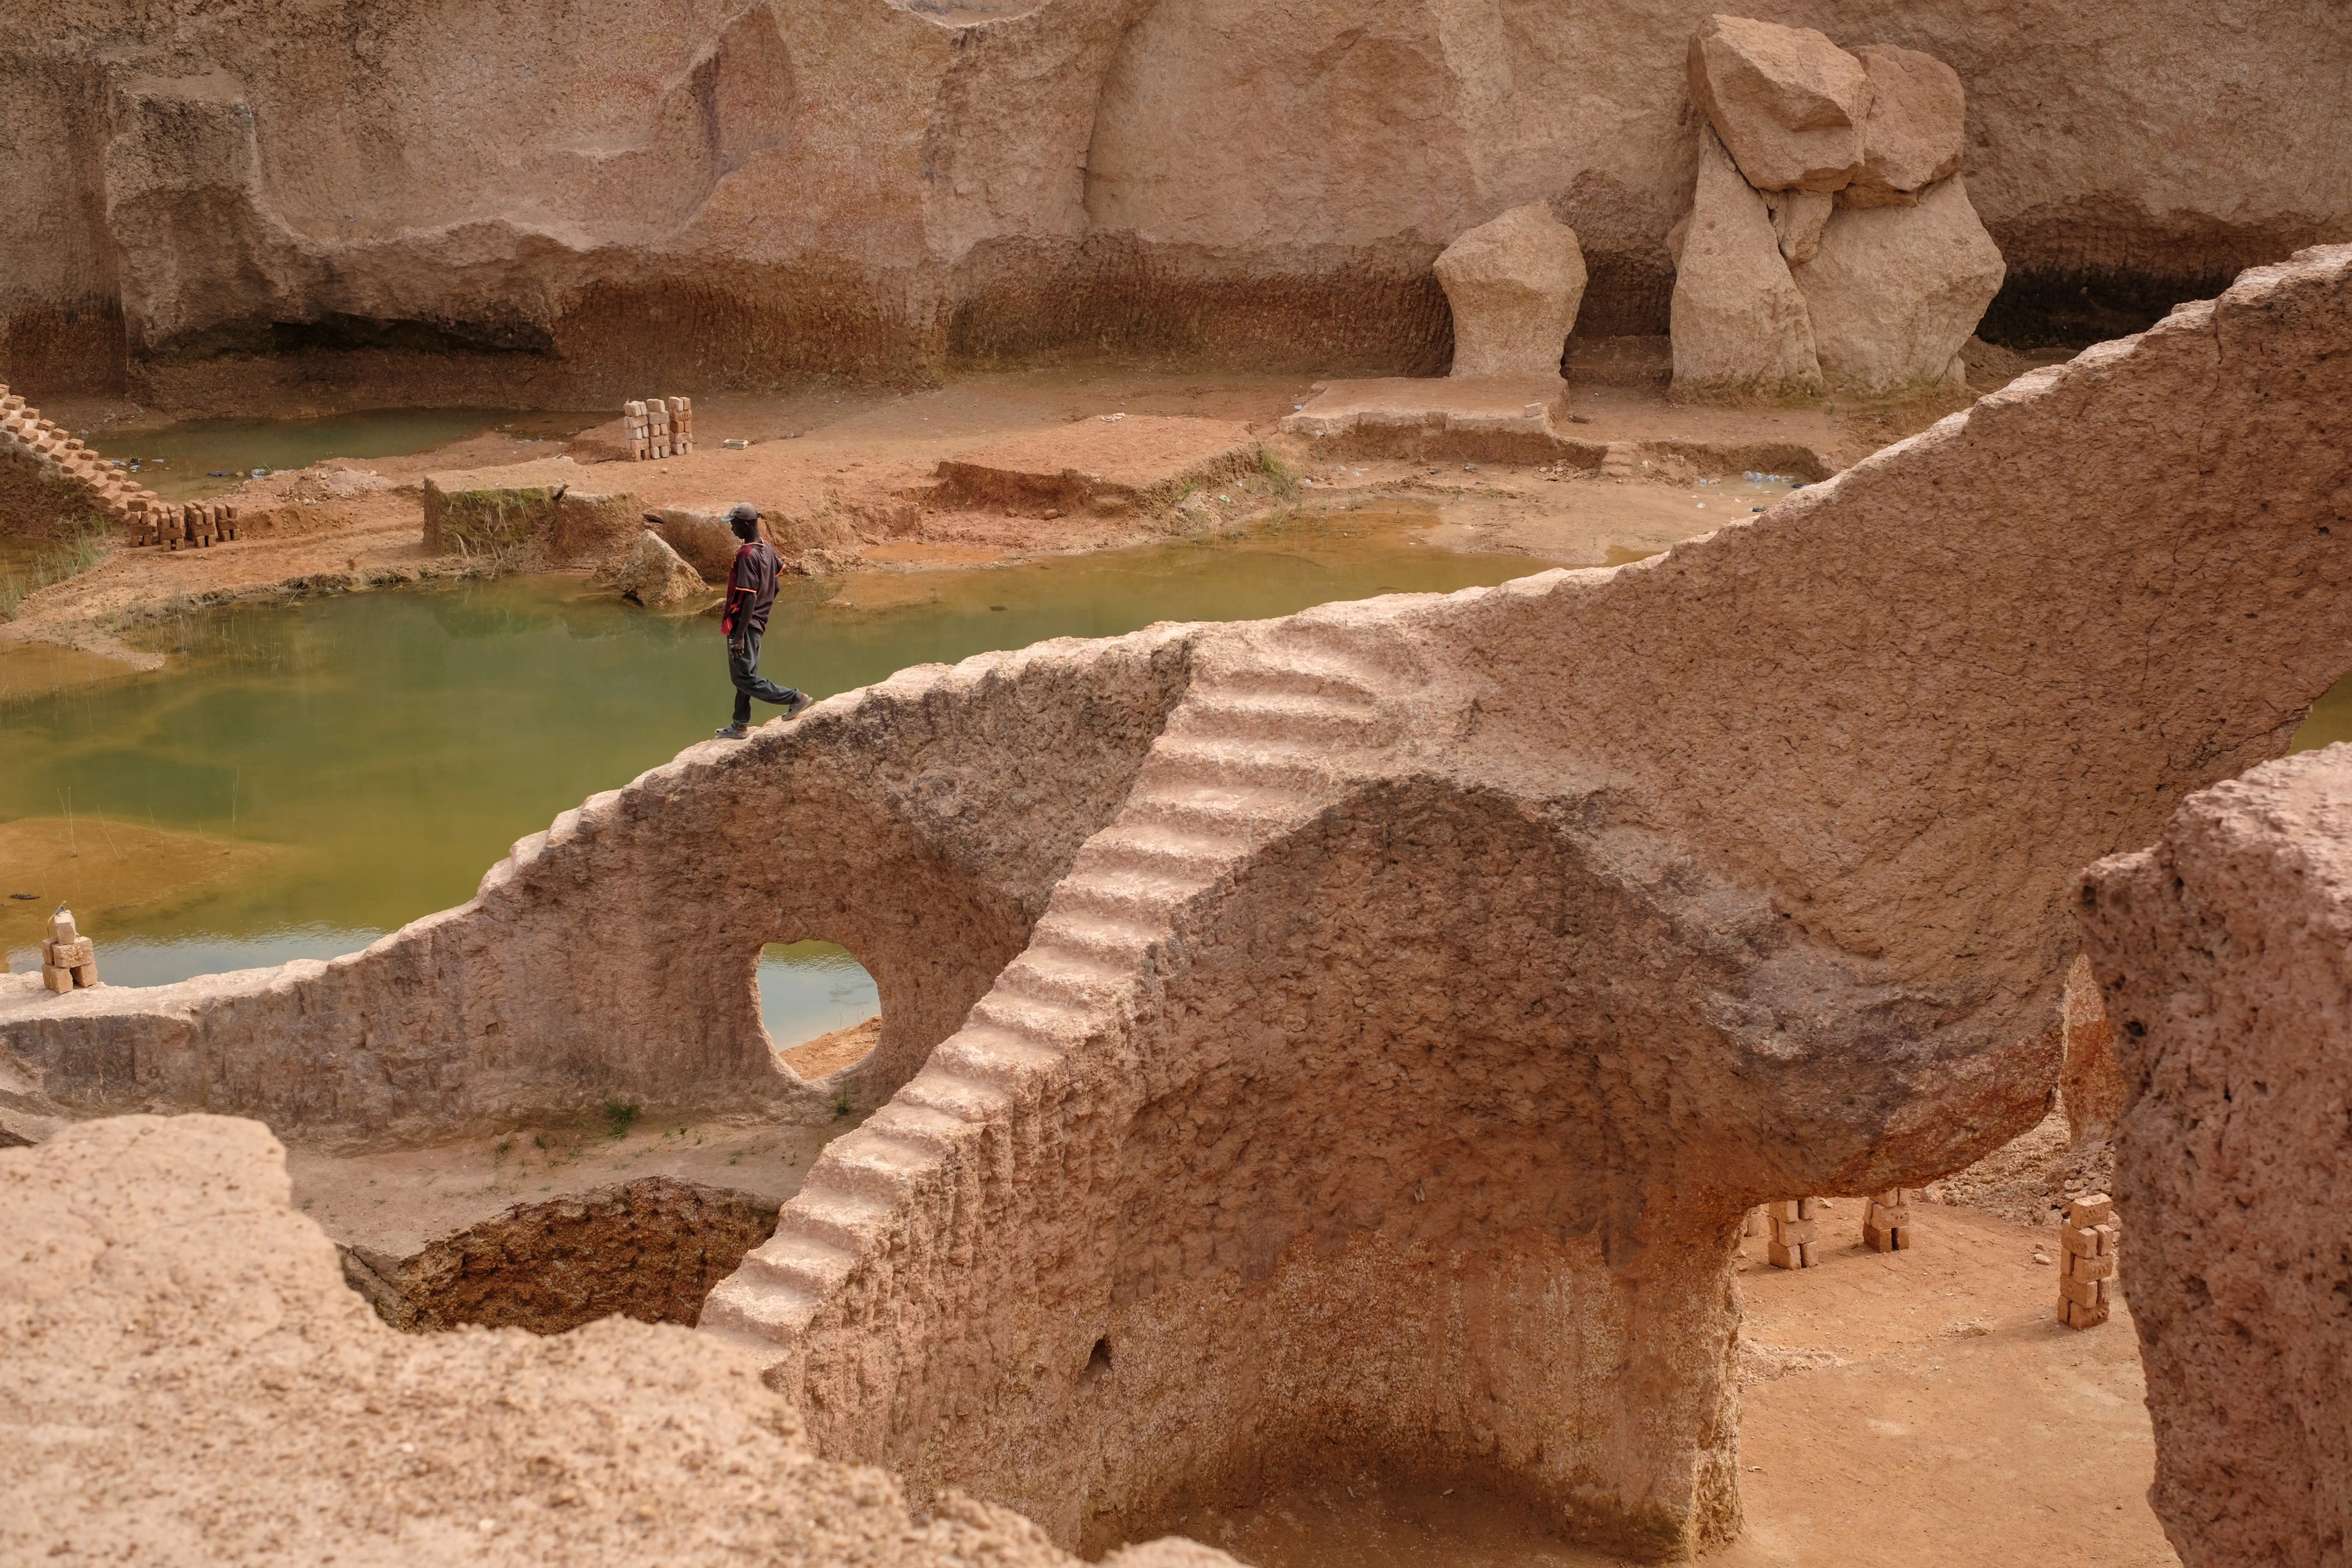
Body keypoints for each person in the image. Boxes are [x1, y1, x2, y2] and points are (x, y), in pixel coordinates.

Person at [713, 503, 811, 738]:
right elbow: (776, 586)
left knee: (743, 677)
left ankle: (795, 698)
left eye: (735, 525)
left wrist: (739, 636)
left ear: (746, 526)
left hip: (743, 625)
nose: (733, 529)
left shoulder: (746, 555)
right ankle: (740, 725)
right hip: (757, 623)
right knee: (746, 674)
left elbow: (749, 596)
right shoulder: (767, 548)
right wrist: (763, 611)